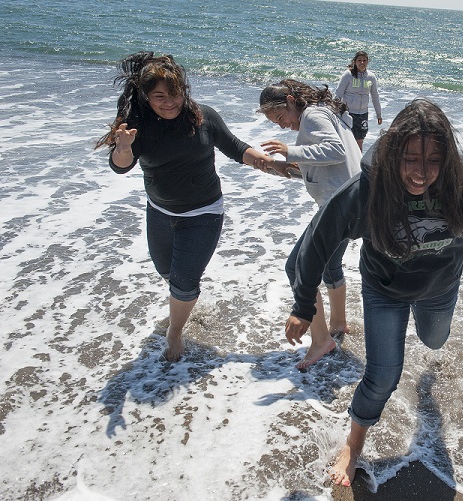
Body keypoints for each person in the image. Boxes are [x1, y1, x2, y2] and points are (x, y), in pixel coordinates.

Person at [282, 98, 463, 486]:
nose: (421, 173)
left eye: (433, 160)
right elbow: (316, 243)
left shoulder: (459, 177)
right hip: (385, 288)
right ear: (394, 154)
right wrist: (303, 305)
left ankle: (426, 375)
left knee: (433, 340)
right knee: (383, 374)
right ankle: (353, 445)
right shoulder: (369, 188)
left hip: (440, 284)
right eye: (411, 159)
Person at [95, 51, 290, 362]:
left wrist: (269, 163)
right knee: (167, 272)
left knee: (185, 282)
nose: (169, 102)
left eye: (174, 94)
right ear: (147, 96)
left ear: (184, 91)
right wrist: (123, 148)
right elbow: (121, 166)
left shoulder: (203, 117)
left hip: (204, 213)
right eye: (159, 96)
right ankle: (181, 301)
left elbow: (236, 147)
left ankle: (175, 331)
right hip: (159, 212)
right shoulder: (137, 126)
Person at [258, 79, 362, 370]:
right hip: (352, 203)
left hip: (339, 209)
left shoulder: (313, 115)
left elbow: (335, 151)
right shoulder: (324, 112)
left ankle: (321, 341)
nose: (281, 126)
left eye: (280, 117)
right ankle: (338, 323)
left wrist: (290, 152)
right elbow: (325, 167)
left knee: (297, 268)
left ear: (292, 101)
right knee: (330, 266)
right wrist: (285, 169)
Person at [335, 51, 382, 150]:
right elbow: (338, 94)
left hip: (363, 114)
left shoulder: (371, 77)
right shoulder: (348, 75)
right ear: (355, 62)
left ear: (368, 62)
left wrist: (379, 114)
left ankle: (358, 164)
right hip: (348, 113)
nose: (362, 63)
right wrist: (333, 111)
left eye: (364, 60)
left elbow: (375, 97)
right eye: (359, 60)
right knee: (348, 139)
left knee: (360, 140)